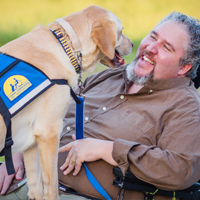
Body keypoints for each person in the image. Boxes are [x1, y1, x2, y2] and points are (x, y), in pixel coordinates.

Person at [1, 11, 200, 200]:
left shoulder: (186, 107)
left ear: (184, 67)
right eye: (153, 37)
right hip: (24, 181)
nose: (151, 48)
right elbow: (45, 114)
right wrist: (18, 151)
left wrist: (107, 150)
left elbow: (181, 169)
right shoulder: (110, 76)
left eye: (166, 47)